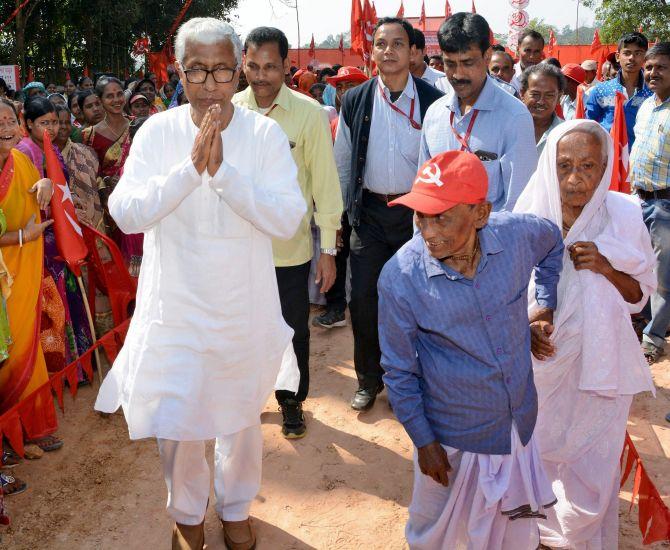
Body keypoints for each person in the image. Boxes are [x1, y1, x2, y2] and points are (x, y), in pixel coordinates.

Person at [94, 18, 306, 549]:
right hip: (177, 305)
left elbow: (287, 219)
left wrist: (226, 176)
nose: (210, 83)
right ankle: (186, 514)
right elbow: (126, 213)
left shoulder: (264, 134)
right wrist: (189, 172)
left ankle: (236, 508)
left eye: (220, 70)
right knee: (180, 420)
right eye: (196, 70)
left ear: (238, 72)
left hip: (243, 304)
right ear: (178, 73)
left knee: (239, 417)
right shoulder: (158, 133)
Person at [379, 150, 563, 549]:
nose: (428, 231)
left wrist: (542, 306)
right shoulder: (401, 277)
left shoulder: (517, 236)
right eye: (420, 216)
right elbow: (398, 371)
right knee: (436, 534)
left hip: (516, 426)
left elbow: (553, 242)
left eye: (441, 216)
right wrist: (425, 443)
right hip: (452, 438)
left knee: (512, 534)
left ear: (481, 214)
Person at [514, 119, 656, 549]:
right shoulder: (527, 218)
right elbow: (502, 296)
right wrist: (529, 326)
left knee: (593, 466)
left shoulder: (626, 214)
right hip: (541, 368)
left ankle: (577, 539)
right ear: (548, 168)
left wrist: (606, 267)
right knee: (534, 456)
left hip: (604, 370)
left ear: (606, 166)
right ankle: (533, 535)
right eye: (564, 166)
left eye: (588, 166)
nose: (575, 180)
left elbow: (639, 298)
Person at [234, 26, 342, 438]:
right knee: (241, 326)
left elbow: (326, 187)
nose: (261, 76)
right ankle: (245, 396)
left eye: (270, 67)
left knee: (291, 328)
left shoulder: (309, 114)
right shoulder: (230, 112)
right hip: (238, 248)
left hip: (289, 249)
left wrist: (328, 250)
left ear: (286, 67)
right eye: (253, 66)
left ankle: (291, 400)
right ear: (243, 63)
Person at [334, 17, 443, 412]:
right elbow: (343, 164)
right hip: (371, 216)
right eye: (381, 44)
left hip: (419, 217)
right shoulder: (356, 99)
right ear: (372, 51)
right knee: (363, 299)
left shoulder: (434, 102)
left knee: (420, 301)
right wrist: (349, 215)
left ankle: (414, 382)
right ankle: (368, 379)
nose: (389, 51)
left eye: (398, 44)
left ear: (414, 51)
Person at [421, 12, 536, 212]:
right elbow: (424, 191)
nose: (458, 74)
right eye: (450, 64)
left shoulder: (514, 117)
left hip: (493, 241)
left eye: (467, 63)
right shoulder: (434, 114)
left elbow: (520, 204)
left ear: (487, 56)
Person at [0, 98, 63, 455]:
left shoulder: (21, 159)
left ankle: (32, 426)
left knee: (28, 350)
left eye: (11, 119)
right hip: (5, 276)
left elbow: (36, 186)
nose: (7, 127)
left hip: (23, 272)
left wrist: (44, 185)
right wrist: (25, 237)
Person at [17, 97, 93, 375]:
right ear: (28, 124)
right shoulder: (23, 152)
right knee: (52, 300)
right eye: (43, 123)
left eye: (54, 122)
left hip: (60, 232)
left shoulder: (52, 149)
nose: (50, 128)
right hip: (41, 236)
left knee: (70, 291)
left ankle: (79, 362)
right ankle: (59, 367)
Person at [312, 66, 370, 330]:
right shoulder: (331, 122)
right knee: (335, 253)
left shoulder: (372, 118)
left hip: (364, 204)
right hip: (336, 203)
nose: (344, 92)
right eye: (340, 86)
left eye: (351, 85)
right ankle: (336, 309)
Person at [630, 42, 670, 364]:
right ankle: (641, 321)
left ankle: (653, 340)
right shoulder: (645, 107)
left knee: (663, 278)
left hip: (667, 207)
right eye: (650, 67)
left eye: (661, 67)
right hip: (638, 200)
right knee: (637, 264)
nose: (652, 72)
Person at [82, 77, 130, 238]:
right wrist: (107, 182)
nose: (116, 100)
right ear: (100, 100)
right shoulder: (89, 135)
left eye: (119, 94)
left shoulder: (138, 126)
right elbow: (88, 174)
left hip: (135, 200)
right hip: (107, 206)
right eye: (110, 96)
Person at [586, 31, 653, 147]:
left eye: (638, 53)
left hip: (641, 160)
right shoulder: (600, 90)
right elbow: (588, 125)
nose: (632, 58)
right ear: (618, 57)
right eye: (627, 53)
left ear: (645, 57)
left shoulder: (654, 92)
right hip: (608, 159)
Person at [53, 104, 103, 231]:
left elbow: (97, 183)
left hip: (91, 219)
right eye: (59, 122)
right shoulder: (43, 156)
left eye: (67, 122)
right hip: (61, 223)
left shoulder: (86, 152)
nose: (64, 127)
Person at [520, 64, 565, 156]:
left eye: (549, 95)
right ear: (522, 93)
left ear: (559, 97)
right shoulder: (507, 128)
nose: (541, 101)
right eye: (535, 94)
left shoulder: (566, 133)